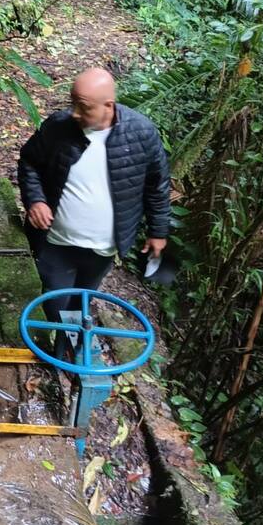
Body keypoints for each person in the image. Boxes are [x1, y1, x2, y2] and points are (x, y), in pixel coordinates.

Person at [17, 67, 171, 349]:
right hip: (56, 242)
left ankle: (73, 348)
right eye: (73, 103)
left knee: (82, 299)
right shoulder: (59, 126)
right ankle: (63, 352)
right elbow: (29, 162)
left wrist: (158, 232)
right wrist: (36, 200)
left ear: (108, 106)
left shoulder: (141, 134)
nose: (75, 113)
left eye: (84, 107)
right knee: (56, 301)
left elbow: (157, 185)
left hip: (103, 249)